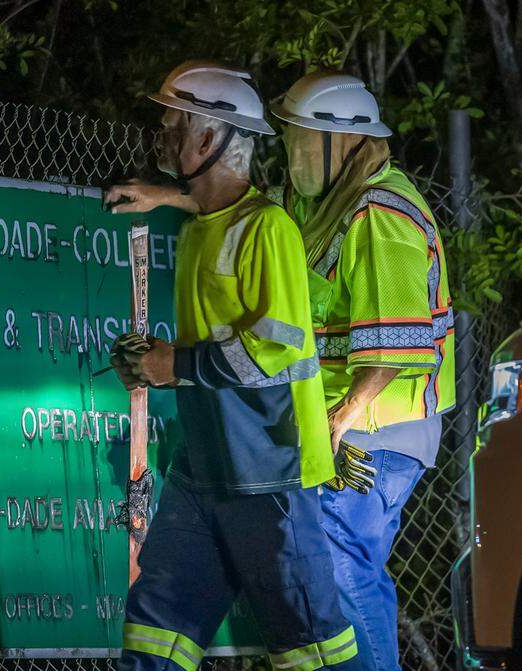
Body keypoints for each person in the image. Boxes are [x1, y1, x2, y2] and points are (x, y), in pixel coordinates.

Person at [105, 61, 359, 671]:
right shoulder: (203, 226)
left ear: (211, 136)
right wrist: (153, 363)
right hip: (207, 467)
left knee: (310, 644)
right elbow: (216, 347)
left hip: (270, 473)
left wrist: (177, 364)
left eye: (175, 120)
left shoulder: (267, 228)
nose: (164, 130)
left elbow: (275, 349)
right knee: (156, 626)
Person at [270, 72, 456, 671]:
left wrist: (338, 420)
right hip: (342, 424)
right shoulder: (318, 204)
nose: (293, 155)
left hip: (374, 429)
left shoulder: (380, 214)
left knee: (342, 560)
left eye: (305, 141)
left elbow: (393, 346)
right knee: (325, 567)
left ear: (343, 145)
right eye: (289, 139)